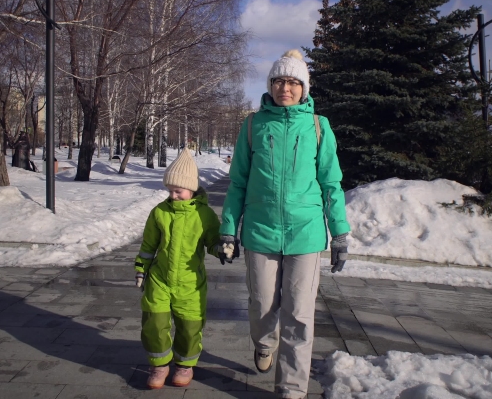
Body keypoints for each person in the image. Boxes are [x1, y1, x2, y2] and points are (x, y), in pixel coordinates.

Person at [220, 49, 351, 398]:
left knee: (300, 317)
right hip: (261, 232)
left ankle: (291, 390)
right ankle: (264, 343)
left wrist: (340, 233)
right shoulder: (253, 125)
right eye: (279, 81)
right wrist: (228, 229)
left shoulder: (318, 127)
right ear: (270, 85)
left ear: (304, 87)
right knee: (262, 305)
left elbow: (331, 184)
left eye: (293, 82)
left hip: (305, 235)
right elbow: (238, 183)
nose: (285, 88)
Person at [134, 148, 233, 389]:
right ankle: (159, 366)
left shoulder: (205, 215)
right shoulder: (159, 212)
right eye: (170, 191)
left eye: (178, 191)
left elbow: (211, 242)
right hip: (159, 279)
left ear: (192, 189)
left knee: (190, 327)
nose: (174, 196)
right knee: (154, 325)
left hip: (190, 283)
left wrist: (222, 249)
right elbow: (148, 245)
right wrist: (141, 269)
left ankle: (184, 366)